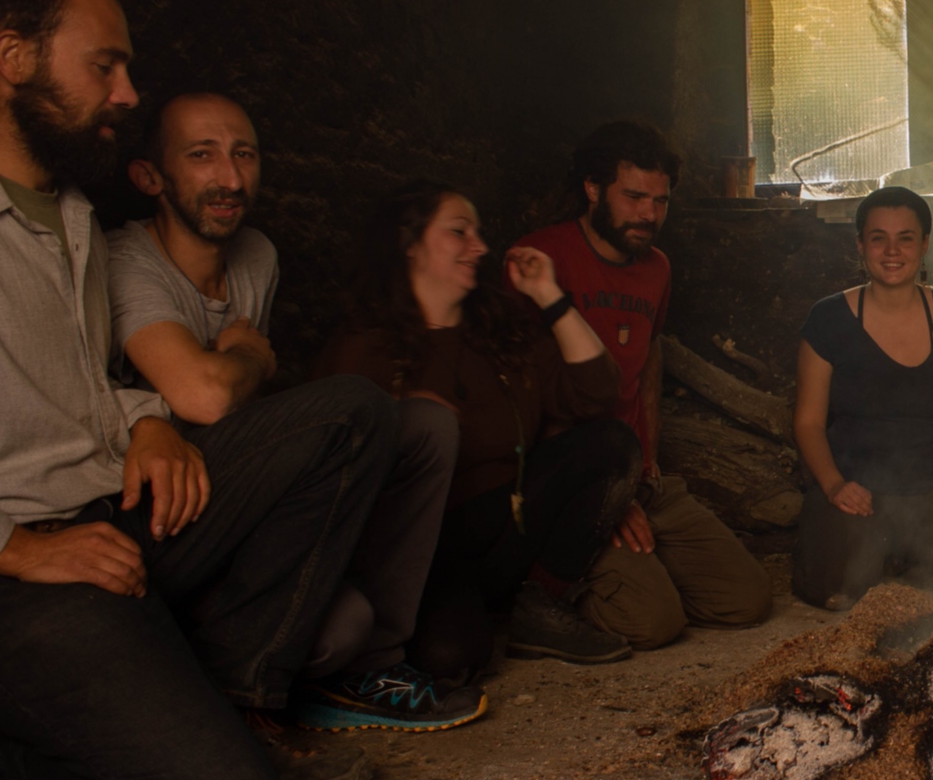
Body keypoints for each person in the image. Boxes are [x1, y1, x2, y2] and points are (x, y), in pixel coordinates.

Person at [0, 0, 398, 780]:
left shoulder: (72, 215)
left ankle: (241, 689)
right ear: (13, 58)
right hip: (19, 567)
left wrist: (146, 421)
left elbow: (84, 378)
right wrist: (16, 546)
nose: (126, 92)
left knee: (351, 415)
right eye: (106, 66)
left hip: (114, 515)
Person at [109, 93, 482, 733]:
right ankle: (220, 687)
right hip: (158, 520)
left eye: (243, 154)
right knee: (354, 405)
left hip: (235, 492)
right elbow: (209, 394)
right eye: (202, 155)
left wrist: (241, 373)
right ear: (149, 177)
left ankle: (374, 667)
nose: (229, 178)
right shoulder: (125, 260)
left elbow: (240, 414)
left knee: (423, 427)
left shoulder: (256, 255)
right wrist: (252, 358)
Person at [318, 181, 634, 678]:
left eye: (479, 232)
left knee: (611, 443)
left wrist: (549, 296)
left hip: (511, 525)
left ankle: (540, 604)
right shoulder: (364, 348)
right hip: (426, 549)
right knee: (451, 660)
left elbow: (597, 391)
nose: (480, 246)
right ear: (410, 242)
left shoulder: (499, 331)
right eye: (459, 231)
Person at [513, 121, 770, 647]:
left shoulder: (657, 268)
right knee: (653, 624)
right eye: (633, 197)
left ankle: (647, 573)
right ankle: (548, 586)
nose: (648, 214)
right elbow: (521, 403)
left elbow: (650, 354)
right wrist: (605, 497)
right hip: (575, 484)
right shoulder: (538, 261)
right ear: (592, 189)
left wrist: (647, 458)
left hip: (640, 476)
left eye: (660, 201)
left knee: (747, 599)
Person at [793, 186, 933, 608]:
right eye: (878, 238)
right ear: (860, 245)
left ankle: (916, 565)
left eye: (906, 238)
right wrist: (835, 485)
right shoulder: (828, 319)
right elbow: (808, 422)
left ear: (924, 245)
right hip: (858, 493)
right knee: (838, 585)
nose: (892, 250)